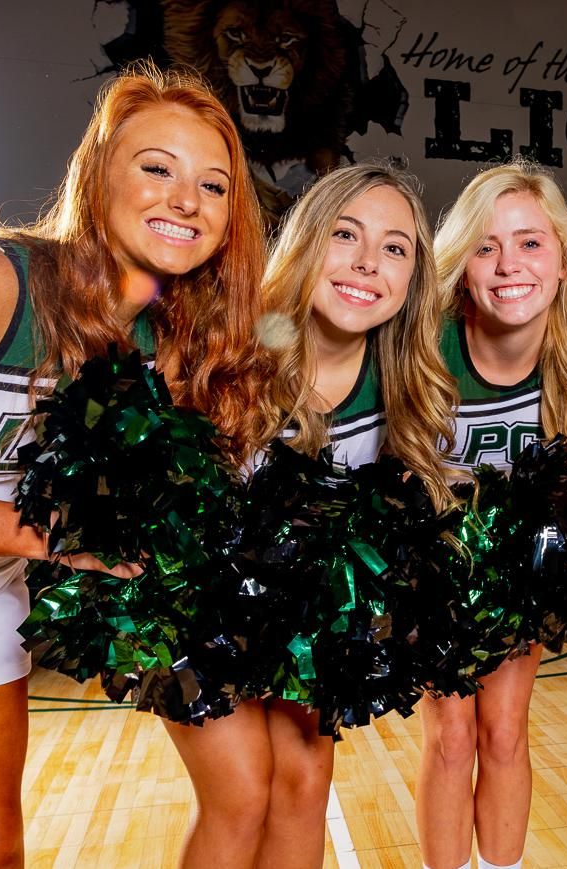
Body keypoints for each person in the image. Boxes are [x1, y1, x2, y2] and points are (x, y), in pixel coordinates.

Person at [0, 63, 275, 868]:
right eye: (157, 168)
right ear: (98, 177)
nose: (187, 200)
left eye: (213, 185)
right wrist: (54, 534)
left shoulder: (166, 345)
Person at [158, 162, 457, 869]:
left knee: (303, 781)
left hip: (301, 617)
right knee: (240, 793)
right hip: (190, 602)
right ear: (306, 242)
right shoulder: (229, 346)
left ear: (413, 278)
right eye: (345, 235)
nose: (367, 262)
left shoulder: (406, 382)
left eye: (394, 248)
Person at [418, 160, 567, 869]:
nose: (509, 265)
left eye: (531, 242)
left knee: (504, 730)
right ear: (461, 268)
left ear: (563, 259)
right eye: (486, 246)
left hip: (521, 570)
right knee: (451, 737)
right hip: (435, 563)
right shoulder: (425, 347)